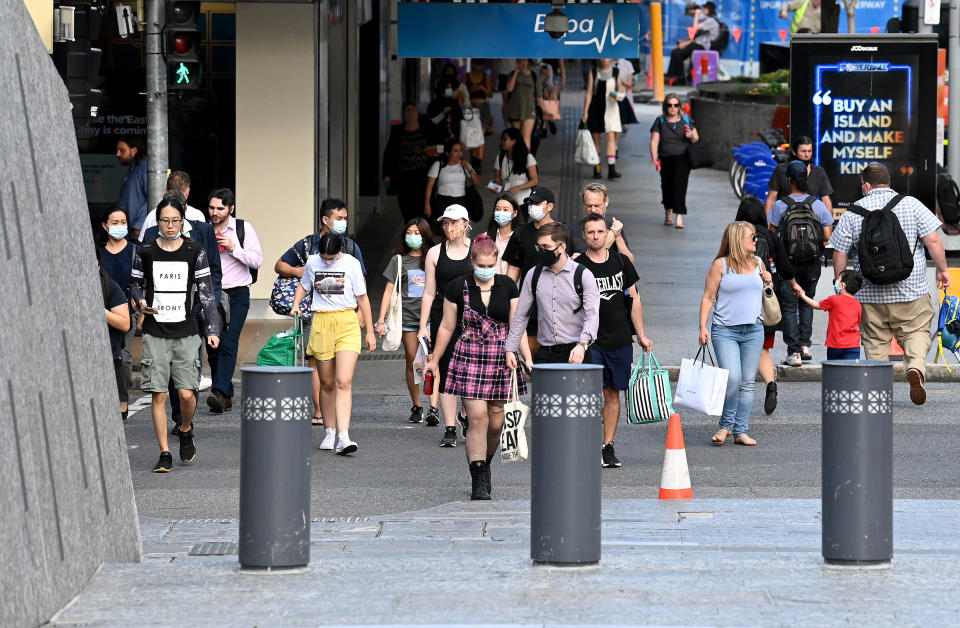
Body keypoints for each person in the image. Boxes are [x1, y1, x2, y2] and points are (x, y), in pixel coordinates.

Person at [830, 162, 950, 405]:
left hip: (870, 294)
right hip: (911, 291)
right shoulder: (911, 204)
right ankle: (915, 367)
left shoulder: (853, 211)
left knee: (875, 341)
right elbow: (934, 241)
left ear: (866, 185)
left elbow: (839, 251)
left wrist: (840, 283)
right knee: (917, 332)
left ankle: (877, 391)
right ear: (888, 182)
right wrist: (942, 271)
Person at [425, 235, 531, 500]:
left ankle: (485, 462)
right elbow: (448, 326)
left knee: (496, 424)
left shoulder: (507, 286)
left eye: (491, 264)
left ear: (496, 262)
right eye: (481, 264)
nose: (486, 269)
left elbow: (517, 326)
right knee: (478, 418)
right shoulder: (457, 286)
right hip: (469, 354)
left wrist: (526, 357)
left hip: (500, 357)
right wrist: (435, 359)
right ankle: (479, 476)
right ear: (473, 261)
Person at [130, 195, 222, 473]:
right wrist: (141, 302)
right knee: (158, 394)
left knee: (185, 394)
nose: (170, 225)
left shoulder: (195, 251)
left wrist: (213, 329)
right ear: (157, 222)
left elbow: (206, 293)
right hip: (155, 332)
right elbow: (134, 284)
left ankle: (185, 427)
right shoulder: (145, 250)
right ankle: (164, 452)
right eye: (165, 221)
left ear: (183, 221)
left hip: (186, 331)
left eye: (175, 221)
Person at [275, 198, 367, 425]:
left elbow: (361, 284)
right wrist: (300, 272)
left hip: (344, 316)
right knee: (316, 364)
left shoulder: (350, 247)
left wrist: (362, 313)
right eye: (339, 218)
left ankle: (339, 425)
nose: (343, 222)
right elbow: (280, 265)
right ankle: (320, 412)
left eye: (345, 218)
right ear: (325, 220)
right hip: (313, 315)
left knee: (342, 375)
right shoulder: (308, 245)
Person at [576, 214, 653, 468]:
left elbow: (634, 300)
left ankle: (607, 446)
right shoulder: (577, 265)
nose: (596, 236)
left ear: (606, 233)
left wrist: (641, 334)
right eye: (591, 232)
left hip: (619, 338)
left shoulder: (621, 262)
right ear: (584, 235)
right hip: (590, 341)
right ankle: (585, 445)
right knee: (589, 392)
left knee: (612, 394)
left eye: (600, 231)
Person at [291, 233, 376, 455]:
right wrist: (296, 304)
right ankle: (329, 430)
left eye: (332, 259)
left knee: (343, 381)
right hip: (322, 321)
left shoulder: (351, 263)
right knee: (327, 383)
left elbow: (363, 297)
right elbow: (304, 285)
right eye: (324, 258)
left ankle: (344, 435)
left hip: (347, 321)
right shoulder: (312, 262)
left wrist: (370, 331)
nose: (327, 262)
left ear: (340, 251)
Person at [698, 221, 771, 447]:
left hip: (754, 329)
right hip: (725, 330)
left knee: (748, 382)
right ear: (739, 240)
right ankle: (726, 425)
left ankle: (741, 431)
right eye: (752, 237)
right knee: (733, 378)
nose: (756, 240)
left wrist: (769, 281)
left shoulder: (758, 263)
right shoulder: (721, 265)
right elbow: (708, 298)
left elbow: (765, 294)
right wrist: (702, 327)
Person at [734, 195, 800, 415]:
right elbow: (785, 266)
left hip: (737, 302)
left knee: (737, 345)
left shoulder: (734, 236)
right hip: (764, 301)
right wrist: (794, 284)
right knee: (761, 347)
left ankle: (740, 394)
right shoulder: (771, 237)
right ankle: (770, 383)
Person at [767, 160, 834, 366]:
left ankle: (793, 352)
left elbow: (772, 234)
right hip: (812, 263)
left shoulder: (781, 205)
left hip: (788, 263)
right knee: (807, 301)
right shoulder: (817, 204)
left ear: (788, 180)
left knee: (788, 305)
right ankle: (805, 346)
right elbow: (827, 234)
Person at [506, 222, 601, 367]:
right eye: (539, 247)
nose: (541, 251)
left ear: (562, 247)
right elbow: (520, 316)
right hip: (545, 353)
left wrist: (582, 344)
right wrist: (510, 350)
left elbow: (592, 316)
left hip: (576, 351)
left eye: (546, 247)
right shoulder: (533, 275)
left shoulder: (583, 275)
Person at [419, 205, 475, 446]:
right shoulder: (434, 253)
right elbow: (429, 291)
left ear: (466, 224)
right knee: (446, 368)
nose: (451, 228)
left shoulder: (477, 248)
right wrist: (423, 325)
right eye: (447, 223)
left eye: (455, 222)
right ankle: (450, 427)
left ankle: (465, 414)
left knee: (470, 371)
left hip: (472, 317)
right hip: (442, 317)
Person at [205, 188, 263, 414]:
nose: (215, 212)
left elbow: (257, 260)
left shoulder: (242, 228)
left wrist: (234, 247)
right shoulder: (204, 229)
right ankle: (226, 394)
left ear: (231, 208)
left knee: (229, 342)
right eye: (211, 207)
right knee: (213, 348)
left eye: (220, 208)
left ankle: (218, 391)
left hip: (238, 294)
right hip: (210, 294)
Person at [375, 218, 435, 423]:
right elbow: (388, 291)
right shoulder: (398, 260)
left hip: (432, 319)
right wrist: (381, 320)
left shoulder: (433, 257)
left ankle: (434, 407)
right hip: (408, 319)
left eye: (417, 233)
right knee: (412, 360)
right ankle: (417, 405)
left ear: (425, 235)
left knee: (432, 360)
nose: (413, 236)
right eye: (410, 232)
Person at [502, 186, 573, 357]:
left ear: (550, 206)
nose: (532, 206)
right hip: (531, 305)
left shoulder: (563, 232)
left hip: (559, 304)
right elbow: (514, 270)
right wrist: (506, 297)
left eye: (537, 202)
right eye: (530, 203)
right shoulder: (520, 233)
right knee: (531, 359)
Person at [98, 206, 139, 420]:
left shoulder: (135, 251)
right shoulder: (98, 252)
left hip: (127, 314)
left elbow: (143, 282)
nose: (120, 226)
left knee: (123, 358)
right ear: (105, 226)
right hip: (102, 313)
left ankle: (123, 404)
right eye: (115, 223)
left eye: (123, 222)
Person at [650, 94, 700, 229]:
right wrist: (654, 158)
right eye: (670, 105)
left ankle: (679, 217)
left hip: (683, 158)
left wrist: (690, 136)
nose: (673, 108)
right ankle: (668, 213)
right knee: (667, 186)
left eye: (675, 105)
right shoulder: (660, 121)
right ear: (665, 107)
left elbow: (696, 138)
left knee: (680, 186)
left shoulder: (686, 119)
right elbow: (654, 140)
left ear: (679, 107)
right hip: (665, 158)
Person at [383, 102, 435, 223]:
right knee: (407, 209)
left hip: (422, 175)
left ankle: (422, 233)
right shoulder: (397, 130)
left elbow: (433, 148)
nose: (411, 113)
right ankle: (410, 231)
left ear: (417, 113)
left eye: (413, 110)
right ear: (404, 114)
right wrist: (387, 174)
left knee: (422, 209)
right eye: (408, 110)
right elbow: (390, 152)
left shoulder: (426, 129)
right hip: (404, 177)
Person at [797, 270, 863, 360]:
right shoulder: (858, 304)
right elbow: (857, 322)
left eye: (838, 280)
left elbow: (816, 305)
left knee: (834, 371)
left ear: (843, 285)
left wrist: (802, 295)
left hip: (835, 345)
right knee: (850, 372)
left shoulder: (833, 300)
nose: (836, 282)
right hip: (853, 345)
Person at [97, 253, 131, 422]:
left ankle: (122, 402)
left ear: (97, 263)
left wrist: (100, 309)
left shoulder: (108, 287)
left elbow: (125, 323)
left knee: (123, 363)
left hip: (109, 351)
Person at [764, 136, 834, 216]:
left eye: (809, 151)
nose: (807, 155)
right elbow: (771, 199)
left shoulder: (819, 172)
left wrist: (829, 224)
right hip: (784, 220)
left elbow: (826, 200)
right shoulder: (780, 170)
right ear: (794, 152)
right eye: (803, 151)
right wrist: (768, 224)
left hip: (810, 221)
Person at [582, 58, 625, 180]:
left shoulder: (616, 71)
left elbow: (620, 89)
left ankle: (612, 170)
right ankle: (597, 169)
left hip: (611, 108)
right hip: (595, 108)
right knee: (596, 140)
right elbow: (589, 93)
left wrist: (619, 95)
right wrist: (585, 112)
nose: (604, 59)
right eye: (602, 56)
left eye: (607, 57)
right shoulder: (593, 72)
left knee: (611, 138)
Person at [568, 183, 634, 262]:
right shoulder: (571, 230)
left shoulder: (615, 229)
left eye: (597, 206)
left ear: (606, 201)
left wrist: (618, 236)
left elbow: (629, 262)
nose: (593, 210)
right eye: (589, 206)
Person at [424, 139, 481, 220]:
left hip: (460, 201)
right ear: (448, 153)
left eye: (461, 150)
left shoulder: (464, 165)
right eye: (455, 151)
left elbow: (477, 183)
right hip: (442, 201)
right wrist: (427, 204)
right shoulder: (439, 165)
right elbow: (429, 187)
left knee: (459, 230)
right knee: (442, 230)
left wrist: (468, 168)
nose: (459, 154)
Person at [139, 171, 206, 239]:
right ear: (187, 192)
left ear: (166, 189)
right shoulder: (197, 215)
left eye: (176, 220)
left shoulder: (152, 215)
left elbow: (142, 243)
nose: (170, 226)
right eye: (165, 220)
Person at [666, 2, 719, 84]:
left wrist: (697, 15)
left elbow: (695, 29)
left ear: (709, 10)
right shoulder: (705, 19)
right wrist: (684, 41)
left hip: (702, 46)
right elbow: (694, 35)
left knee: (679, 54)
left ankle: (680, 78)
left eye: (705, 8)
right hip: (697, 43)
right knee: (675, 52)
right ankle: (671, 76)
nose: (702, 10)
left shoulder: (711, 21)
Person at [492, 127, 539, 204]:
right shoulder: (500, 157)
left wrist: (518, 188)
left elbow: (534, 181)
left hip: (523, 201)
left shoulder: (528, 157)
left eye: (505, 139)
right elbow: (498, 179)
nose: (502, 142)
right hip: (505, 201)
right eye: (502, 139)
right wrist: (494, 187)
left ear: (514, 141)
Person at [462, 59, 494, 168]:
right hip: (470, 107)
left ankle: (479, 159)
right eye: (476, 63)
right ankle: (474, 157)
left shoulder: (486, 77)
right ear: (472, 64)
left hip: (483, 107)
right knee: (472, 133)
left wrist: (482, 89)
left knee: (481, 134)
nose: (478, 66)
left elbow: (490, 94)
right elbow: (461, 94)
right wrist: (471, 90)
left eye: (480, 63)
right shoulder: (466, 77)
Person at [505, 58, 541, 149]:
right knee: (516, 137)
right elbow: (509, 89)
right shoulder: (512, 74)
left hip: (529, 110)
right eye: (521, 61)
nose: (523, 63)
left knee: (526, 137)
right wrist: (516, 72)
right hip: (516, 110)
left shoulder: (533, 75)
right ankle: (516, 158)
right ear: (517, 62)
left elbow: (539, 96)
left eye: (525, 60)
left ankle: (526, 160)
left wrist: (546, 111)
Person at [116, 137, 149, 236]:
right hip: (129, 232)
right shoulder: (133, 169)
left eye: (122, 150)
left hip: (138, 233)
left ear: (134, 151)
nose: (118, 154)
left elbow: (154, 197)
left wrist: (140, 224)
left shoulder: (145, 168)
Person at [486, 194, 524, 274]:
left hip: (512, 285)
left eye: (505, 210)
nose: (501, 213)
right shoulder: (485, 237)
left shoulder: (521, 237)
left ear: (515, 213)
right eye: (498, 209)